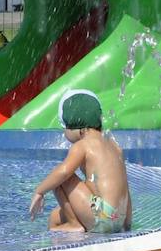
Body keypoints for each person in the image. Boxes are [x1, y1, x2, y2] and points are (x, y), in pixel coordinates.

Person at [29, 90, 131, 233]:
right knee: (54, 218)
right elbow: (124, 187)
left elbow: (63, 172)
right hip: (118, 217)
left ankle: (74, 224)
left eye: (65, 128)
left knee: (59, 178)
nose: (64, 133)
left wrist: (39, 191)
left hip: (102, 215)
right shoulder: (114, 146)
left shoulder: (82, 145)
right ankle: (72, 224)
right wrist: (126, 224)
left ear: (79, 130)